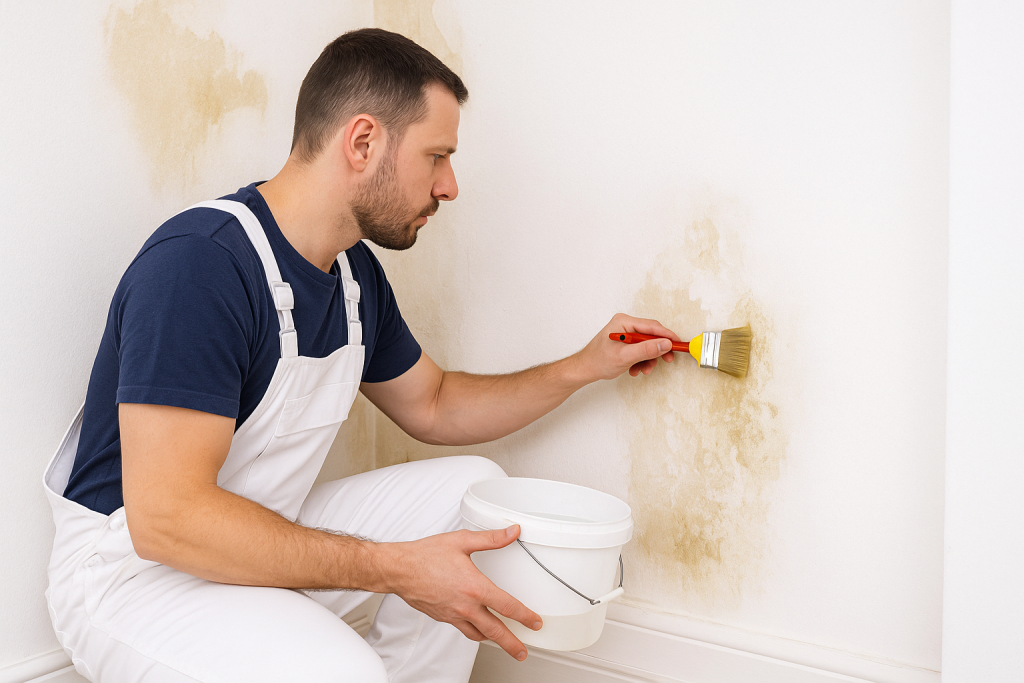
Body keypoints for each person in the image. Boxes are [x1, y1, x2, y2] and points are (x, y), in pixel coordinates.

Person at [42, 28, 679, 683]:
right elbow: (169, 520)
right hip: (134, 579)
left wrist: (583, 364)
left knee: (472, 492)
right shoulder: (201, 265)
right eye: (437, 156)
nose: (451, 185)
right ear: (363, 141)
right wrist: (395, 566)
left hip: (253, 535)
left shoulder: (352, 276)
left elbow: (434, 403)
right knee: (345, 670)